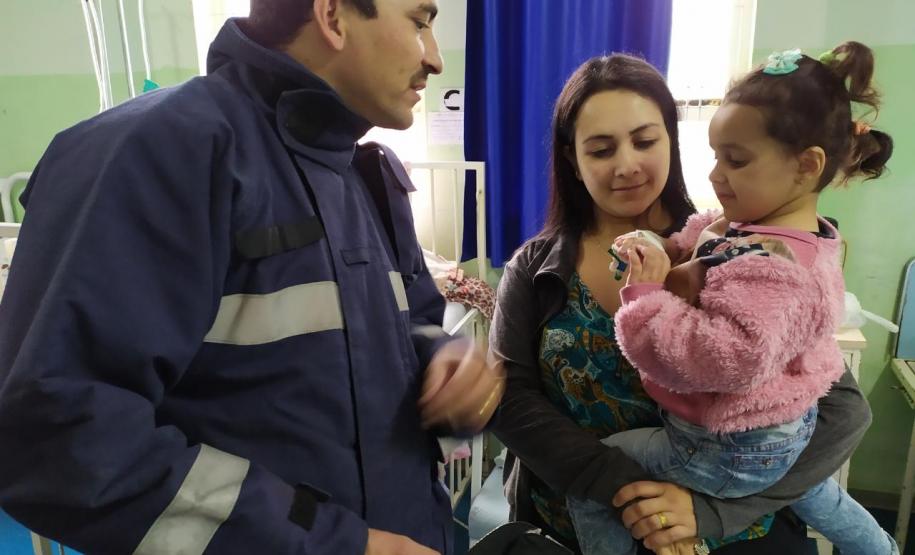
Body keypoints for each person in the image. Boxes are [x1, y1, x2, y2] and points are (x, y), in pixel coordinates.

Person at [0, 1, 503, 554]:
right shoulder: (162, 151)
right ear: (333, 15)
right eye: (420, 22)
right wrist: (338, 545)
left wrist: (443, 361)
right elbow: (55, 436)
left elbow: (410, 323)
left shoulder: (362, 176)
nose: (434, 58)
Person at [490, 53, 873, 555]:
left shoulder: (732, 248)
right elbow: (511, 401)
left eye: (645, 141)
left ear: (671, 141)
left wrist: (709, 512)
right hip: (571, 531)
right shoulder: (534, 268)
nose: (626, 165)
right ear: (573, 159)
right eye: (601, 149)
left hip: (729, 537)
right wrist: (627, 492)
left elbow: (842, 412)